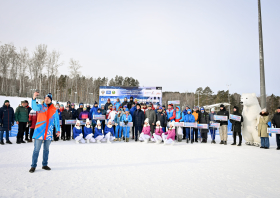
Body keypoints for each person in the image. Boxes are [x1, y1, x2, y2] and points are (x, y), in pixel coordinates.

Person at [29, 92, 60, 173]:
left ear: (51, 100)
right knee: (36, 150)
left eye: (48, 98)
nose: (46, 99)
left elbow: (57, 121)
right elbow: (34, 107)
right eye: (45, 98)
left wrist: (58, 130)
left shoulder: (54, 109)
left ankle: (44, 164)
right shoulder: (41, 107)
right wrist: (34, 98)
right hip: (39, 131)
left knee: (46, 150)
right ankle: (33, 166)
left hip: (49, 132)